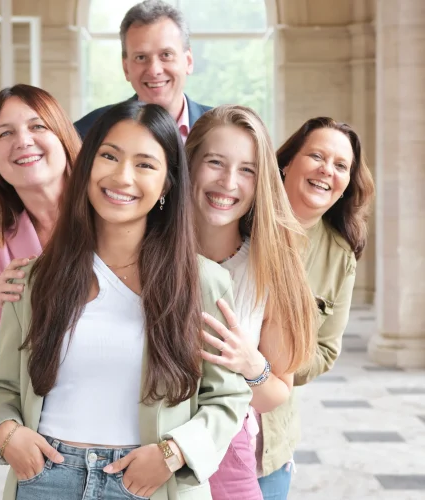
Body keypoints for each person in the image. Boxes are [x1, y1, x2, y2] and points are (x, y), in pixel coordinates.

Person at [0, 101, 251, 500]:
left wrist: (173, 454)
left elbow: (228, 395)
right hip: (43, 478)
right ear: (86, 167)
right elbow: (1, 387)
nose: (122, 176)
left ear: (167, 184)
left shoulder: (202, 282)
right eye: (109, 156)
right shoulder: (35, 279)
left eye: (145, 164)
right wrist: (8, 434)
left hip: (148, 482)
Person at [186, 105, 317, 500]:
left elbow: (277, 392)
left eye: (247, 170)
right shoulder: (145, 250)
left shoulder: (272, 267)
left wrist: (250, 364)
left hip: (228, 456)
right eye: (215, 162)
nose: (228, 182)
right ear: (189, 164)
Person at [256, 117, 375, 499]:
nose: (327, 169)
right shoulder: (238, 219)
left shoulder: (341, 257)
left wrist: (267, 363)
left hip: (267, 444)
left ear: (345, 185)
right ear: (287, 163)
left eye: (341, 165)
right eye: (317, 156)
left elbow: (325, 351)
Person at [0, 84, 82, 378]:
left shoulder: (109, 214)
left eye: (37, 126)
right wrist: (9, 314)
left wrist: (27, 319)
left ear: (63, 138)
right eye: (5, 133)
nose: (22, 141)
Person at [74, 0, 210, 141]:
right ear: (126, 68)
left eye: (166, 55)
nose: (154, 70)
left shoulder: (223, 129)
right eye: (141, 57)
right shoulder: (88, 132)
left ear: (188, 61)